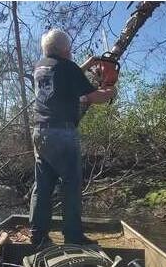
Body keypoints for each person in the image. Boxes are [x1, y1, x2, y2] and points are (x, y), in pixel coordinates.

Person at [28, 29, 116, 248]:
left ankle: (38, 237)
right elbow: (96, 97)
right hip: (62, 134)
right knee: (71, 185)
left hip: (40, 132)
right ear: (64, 49)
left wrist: (86, 65)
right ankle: (73, 237)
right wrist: (111, 91)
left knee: (42, 186)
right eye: (69, 49)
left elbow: (62, 77)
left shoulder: (40, 67)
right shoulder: (68, 68)